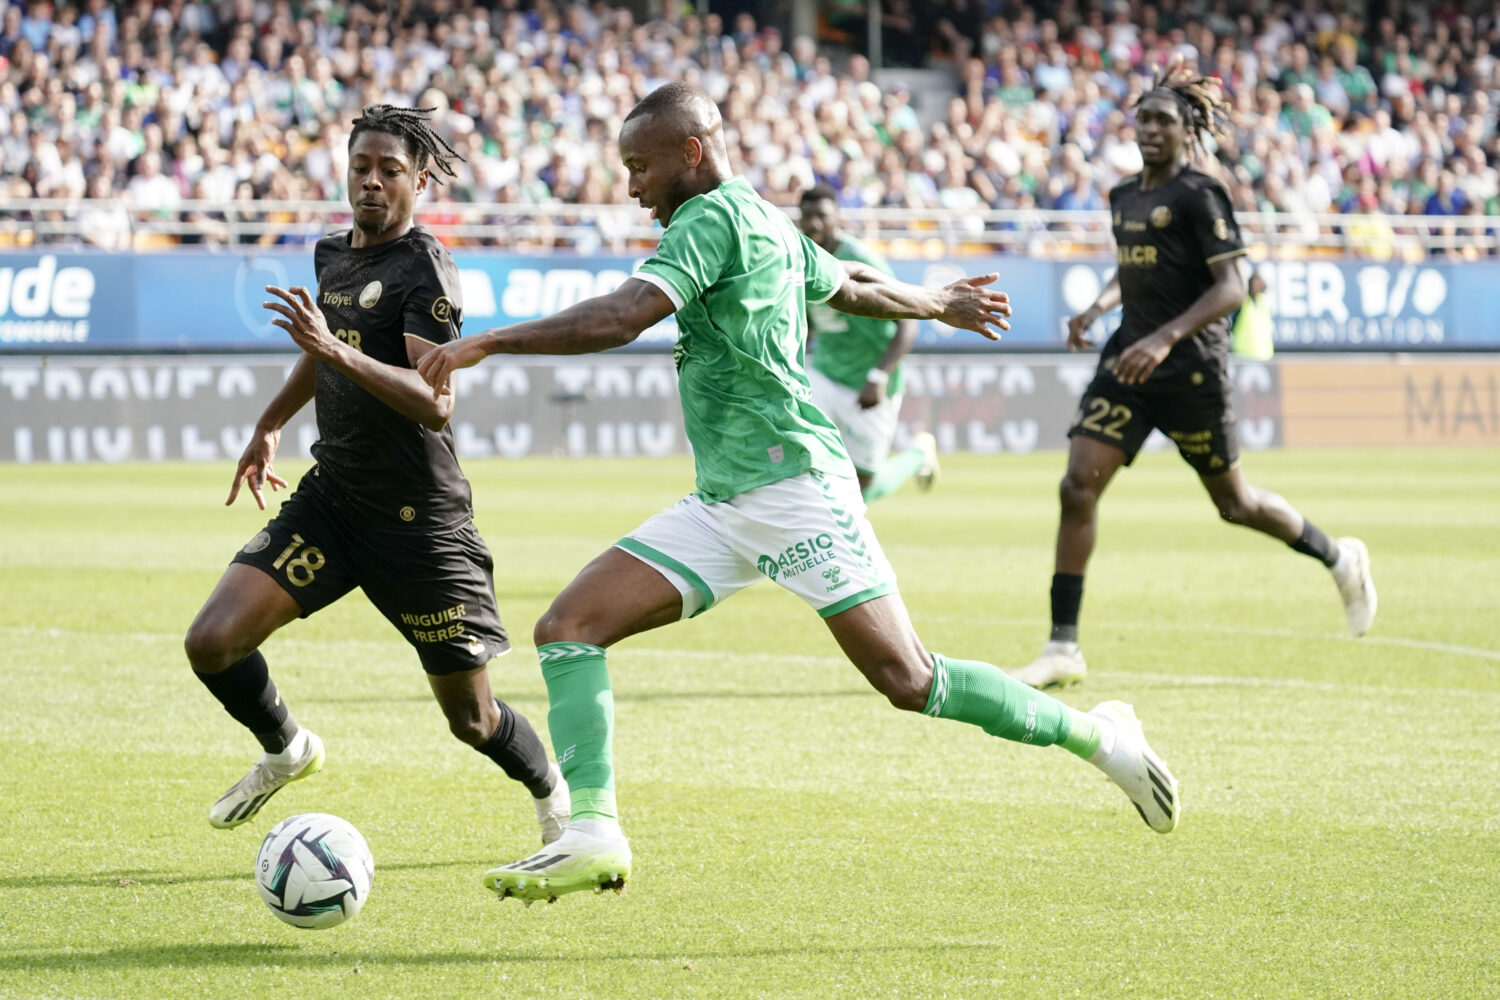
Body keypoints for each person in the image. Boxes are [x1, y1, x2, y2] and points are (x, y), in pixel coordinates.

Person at [417, 83, 1182, 905]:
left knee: (908, 679)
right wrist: (932, 300)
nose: (632, 185)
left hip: (795, 487)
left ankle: (1105, 739)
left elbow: (622, 315)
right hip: (724, 501)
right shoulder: (767, 221)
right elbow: (849, 284)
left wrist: (486, 342)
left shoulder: (707, 220)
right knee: (568, 628)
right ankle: (594, 831)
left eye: (640, 166)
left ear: (691, 155)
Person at [183, 105, 570, 844]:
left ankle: (553, 797)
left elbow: (435, 402)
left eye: (390, 170)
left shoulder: (426, 269)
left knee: (473, 720)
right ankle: (287, 750)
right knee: (213, 641)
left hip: (418, 524)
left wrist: (336, 353)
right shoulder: (333, 254)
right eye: (362, 166)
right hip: (334, 502)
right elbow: (323, 347)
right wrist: (270, 423)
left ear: (419, 181)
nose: (372, 181)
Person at [1011, 68, 1377, 691]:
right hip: (1128, 364)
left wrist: (1163, 338)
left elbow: (1232, 286)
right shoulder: (1123, 194)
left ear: (1188, 131)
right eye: (1144, 119)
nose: (1151, 130)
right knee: (1077, 487)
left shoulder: (1200, 195)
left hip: (1191, 371)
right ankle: (1063, 646)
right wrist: (1100, 311)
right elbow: (1133, 270)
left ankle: (1339, 556)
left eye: (1164, 121)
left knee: (1235, 505)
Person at [797, 184, 939, 501]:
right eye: (807, 216)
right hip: (825, 375)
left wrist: (878, 377)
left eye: (822, 216)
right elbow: (807, 322)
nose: (814, 224)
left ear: (838, 219)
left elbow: (907, 322)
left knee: (863, 489)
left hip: (870, 383)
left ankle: (918, 454)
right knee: (800, 459)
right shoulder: (801, 260)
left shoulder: (860, 261)